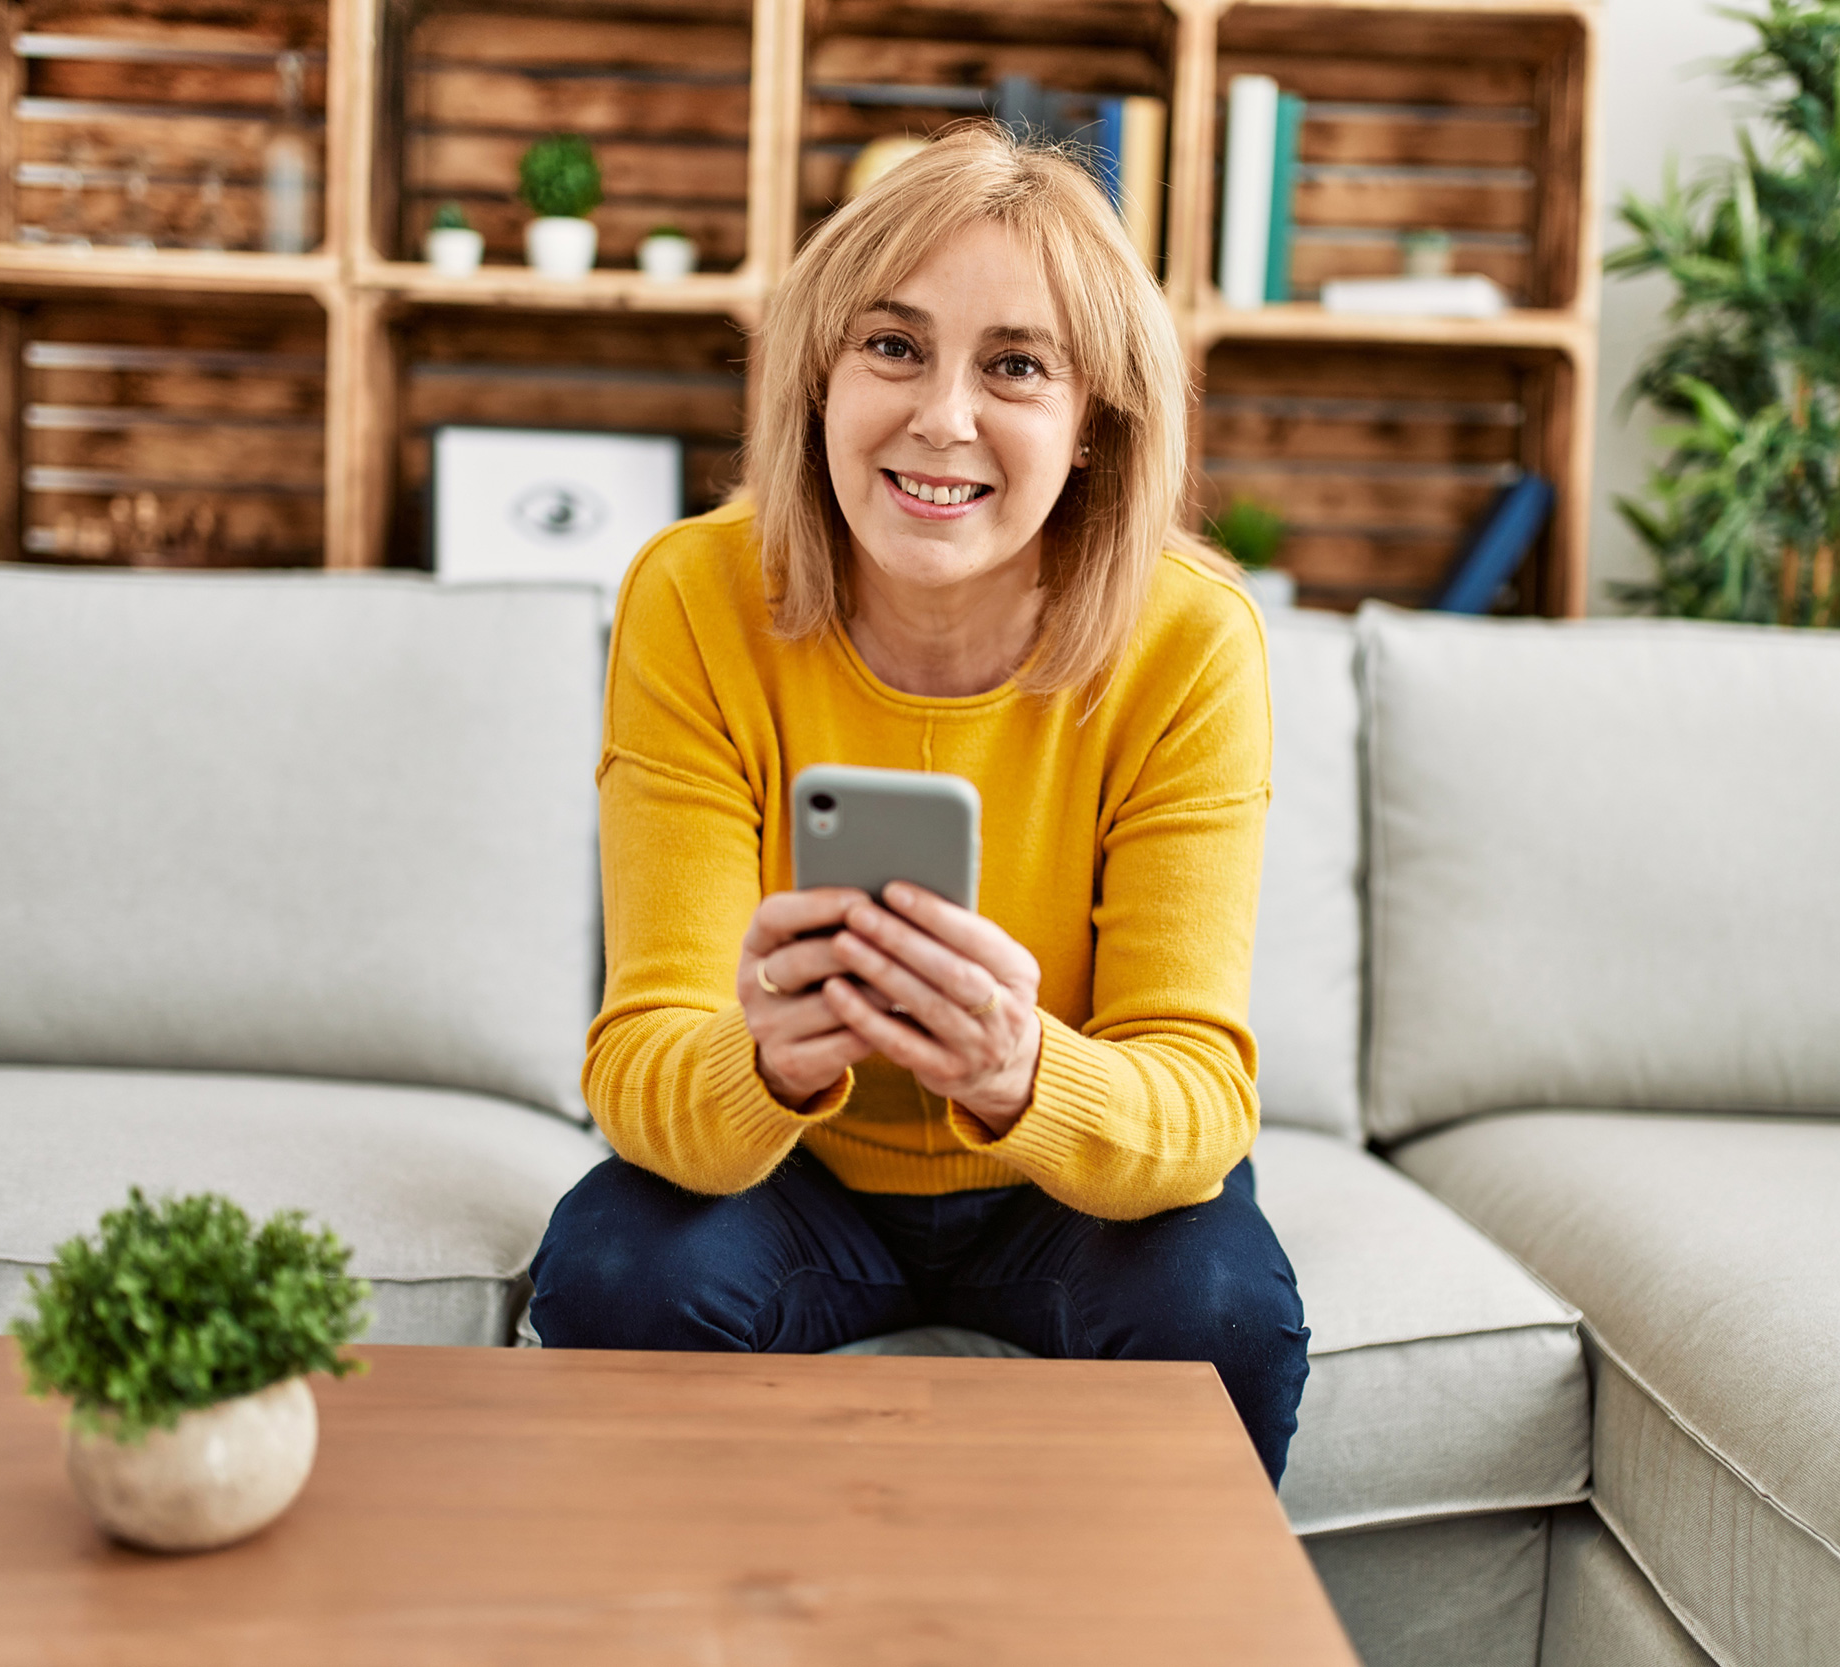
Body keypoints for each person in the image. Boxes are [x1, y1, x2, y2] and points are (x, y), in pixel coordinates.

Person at [526, 123, 1310, 1482]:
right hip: (793, 1180)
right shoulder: (695, 596)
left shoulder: (1191, 639)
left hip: (1065, 1198)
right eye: (893, 348)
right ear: (819, 378)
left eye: (1015, 366)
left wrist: (1021, 1074)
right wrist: (765, 1058)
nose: (941, 417)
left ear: (1092, 428)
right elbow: (639, 1068)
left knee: (1223, 1312)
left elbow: (1196, 1101)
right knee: (610, 1271)